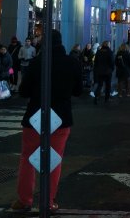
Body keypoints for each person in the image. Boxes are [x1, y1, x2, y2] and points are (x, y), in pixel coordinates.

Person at [10, 29, 82, 213]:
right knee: (54, 159)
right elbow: (78, 90)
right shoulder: (72, 62)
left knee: (27, 158)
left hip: (36, 116)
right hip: (61, 116)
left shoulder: (37, 62)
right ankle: (48, 201)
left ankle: (25, 199)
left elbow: (24, 91)